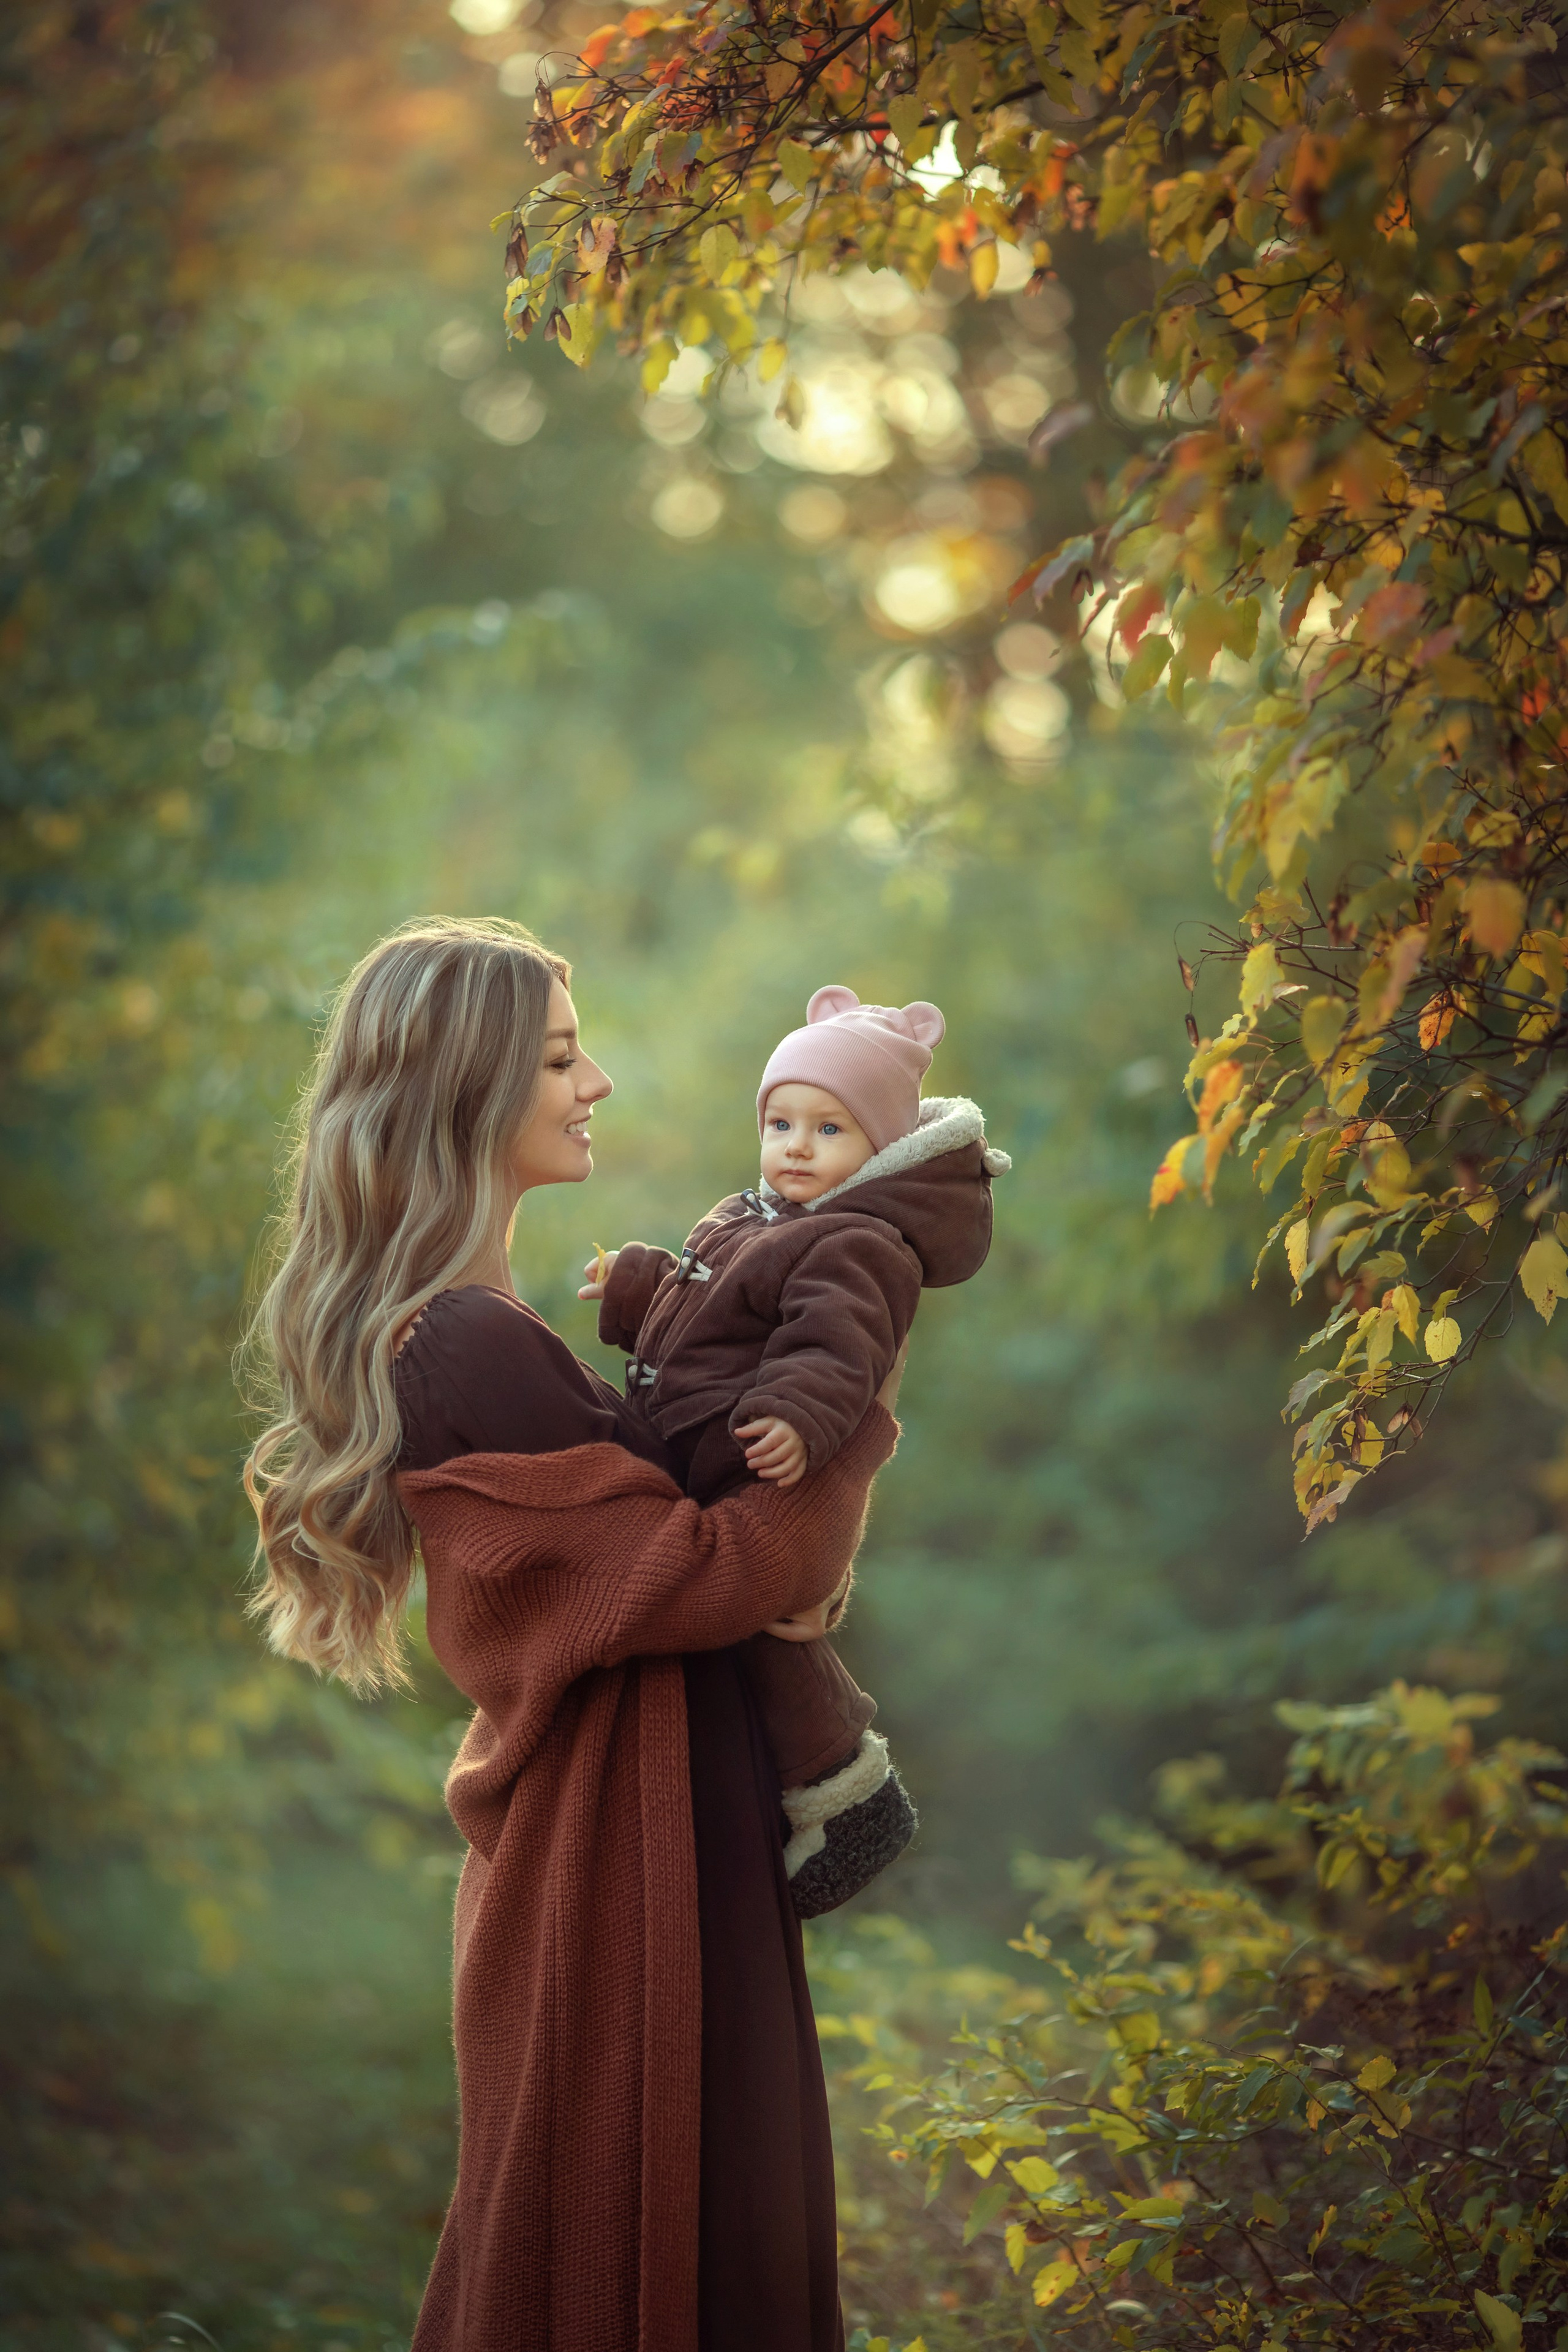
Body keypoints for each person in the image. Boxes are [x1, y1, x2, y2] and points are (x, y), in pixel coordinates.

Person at [241, 916, 901, 2352]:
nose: (593, 1081)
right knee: (635, 2259)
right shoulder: (466, 1346)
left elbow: (713, 1565)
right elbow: (711, 1571)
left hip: (641, 1848)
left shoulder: (491, 1330)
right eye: (555, 1056)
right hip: (616, 1874)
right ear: (468, 1092)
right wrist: (858, 1398)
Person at [584, 986, 1009, 1912]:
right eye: (781, 1123)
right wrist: (634, 1283)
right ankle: (823, 1784)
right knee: (750, 1634)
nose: (796, 1147)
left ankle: (839, 1783)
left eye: (829, 1130)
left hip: (752, 1454)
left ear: (880, 1149)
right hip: (696, 1438)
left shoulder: (859, 1243)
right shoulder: (754, 1216)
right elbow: (707, 1310)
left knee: (757, 1625)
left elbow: (836, 1348)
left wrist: (795, 1417)